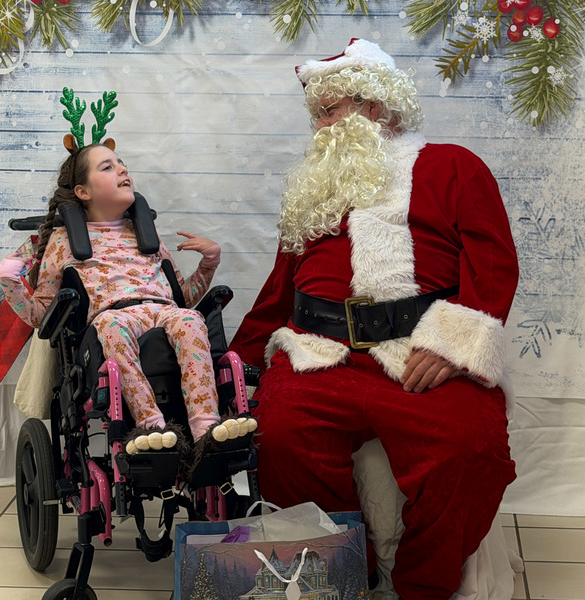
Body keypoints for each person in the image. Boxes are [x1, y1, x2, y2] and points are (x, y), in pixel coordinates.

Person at [229, 39, 519, 598]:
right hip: (318, 354)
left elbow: (494, 263)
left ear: (378, 106)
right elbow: (278, 291)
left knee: (471, 452)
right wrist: (238, 363)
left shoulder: (453, 165)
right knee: (281, 436)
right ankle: (341, 577)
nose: (324, 123)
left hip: (416, 350)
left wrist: (454, 345)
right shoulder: (313, 193)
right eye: (319, 113)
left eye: (335, 109)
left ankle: (421, 585)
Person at [0, 137, 254, 455]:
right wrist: (10, 280)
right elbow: (42, 315)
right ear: (83, 191)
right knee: (113, 325)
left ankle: (206, 429)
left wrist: (209, 262)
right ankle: (151, 427)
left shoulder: (145, 234)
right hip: (112, 316)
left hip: (162, 310)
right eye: (108, 166)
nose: (122, 170)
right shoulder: (64, 241)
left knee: (191, 319)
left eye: (122, 164)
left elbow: (182, 297)